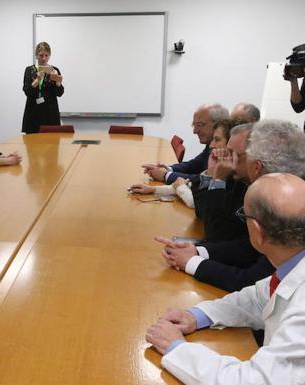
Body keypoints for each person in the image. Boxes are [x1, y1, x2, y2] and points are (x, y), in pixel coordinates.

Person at [146, 173, 305, 385]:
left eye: (244, 215)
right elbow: (258, 298)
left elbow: (254, 382)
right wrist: (199, 315)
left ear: (257, 232)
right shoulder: (291, 265)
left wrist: (176, 348)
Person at [155, 120, 305, 292]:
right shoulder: (265, 188)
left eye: (234, 155)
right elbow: (246, 246)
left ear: (256, 166)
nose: (229, 162)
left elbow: (253, 282)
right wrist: (198, 252)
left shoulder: (288, 206)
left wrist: (192, 262)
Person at [129, 118, 234, 208]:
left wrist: (173, 181)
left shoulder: (230, 176)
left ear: (231, 144)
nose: (211, 145)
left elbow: (198, 204)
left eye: (217, 140)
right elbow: (193, 183)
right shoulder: (216, 161)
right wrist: (153, 189)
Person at [142, 103, 229, 184]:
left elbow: (202, 181)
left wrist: (166, 175)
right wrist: (168, 169)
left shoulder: (226, 152)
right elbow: (193, 165)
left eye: (199, 125)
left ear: (217, 124)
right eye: (193, 125)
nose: (194, 131)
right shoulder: (210, 146)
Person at [22, 41, 64, 134]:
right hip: (33, 112)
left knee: (52, 145)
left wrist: (57, 81)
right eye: (41, 55)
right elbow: (27, 91)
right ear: (36, 55)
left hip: (50, 113)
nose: (44, 58)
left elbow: (60, 93)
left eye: (46, 55)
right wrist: (37, 80)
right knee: (32, 145)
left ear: (49, 55)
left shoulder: (54, 70)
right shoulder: (29, 70)